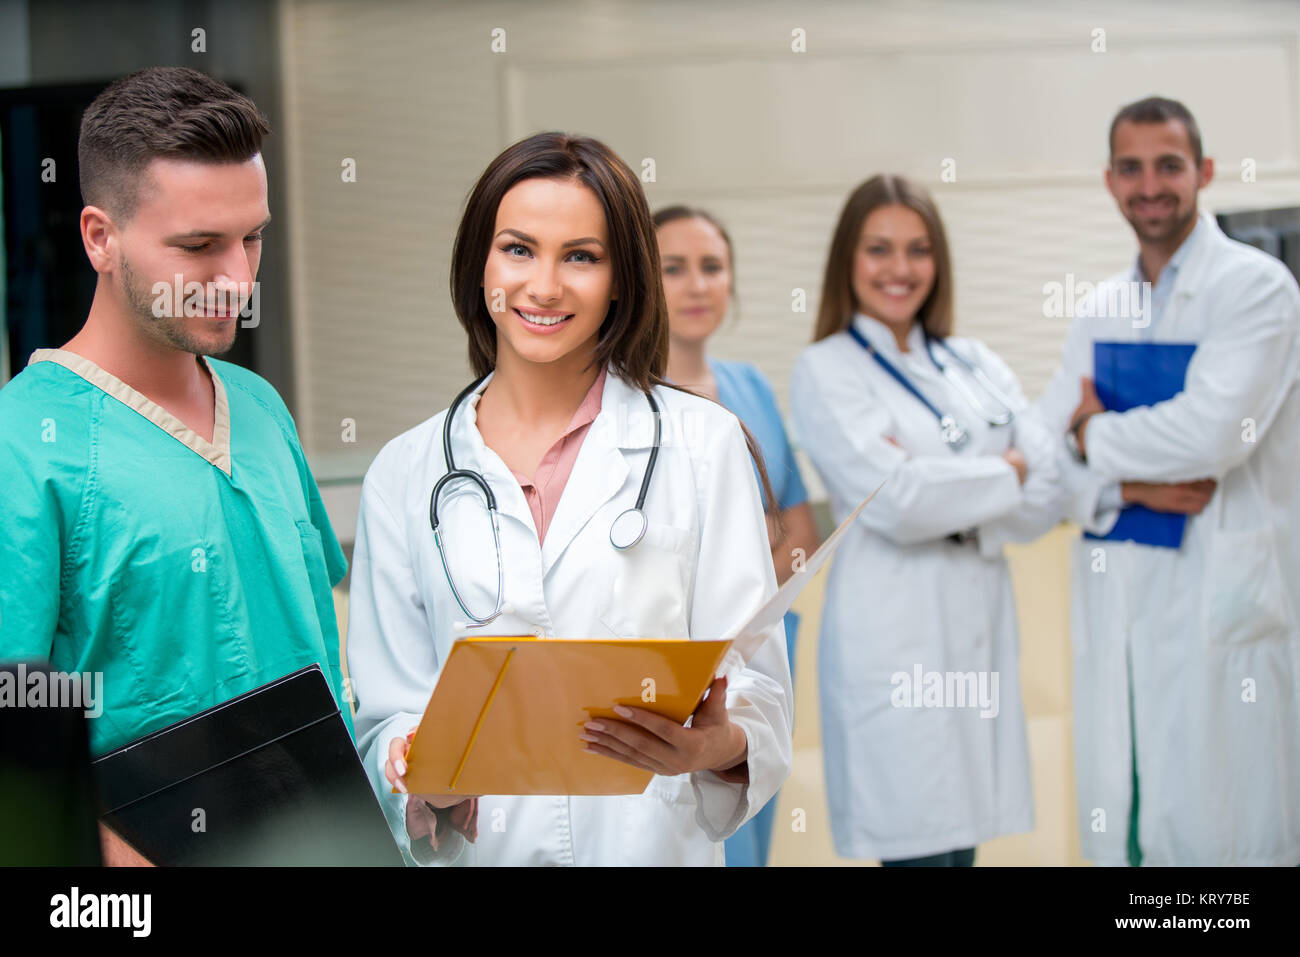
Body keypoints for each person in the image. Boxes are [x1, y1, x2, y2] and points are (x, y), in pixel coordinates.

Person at [346, 132, 794, 866]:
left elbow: (759, 686)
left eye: (581, 256)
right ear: (479, 265)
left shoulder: (704, 445)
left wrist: (718, 740)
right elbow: (389, 710)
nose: (545, 286)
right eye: (519, 249)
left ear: (620, 278)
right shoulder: (404, 473)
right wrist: (414, 775)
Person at [0, 68, 351, 865]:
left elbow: (318, 650)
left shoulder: (258, 406)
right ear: (100, 237)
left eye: (251, 237)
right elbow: (12, 747)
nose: (237, 279)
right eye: (198, 247)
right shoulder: (23, 446)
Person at [1032, 96, 1300, 866]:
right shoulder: (1098, 310)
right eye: (1131, 167)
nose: (1151, 184)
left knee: (1226, 825)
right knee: (1133, 816)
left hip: (1222, 600)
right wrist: (1122, 485)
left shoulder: (1257, 289)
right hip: (1120, 600)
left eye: (1169, 165)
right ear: (1110, 181)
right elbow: (1043, 457)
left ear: (1204, 172)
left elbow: (1209, 435)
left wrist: (1092, 433)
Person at [790, 174, 1061, 866]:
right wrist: (1007, 473)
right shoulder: (827, 369)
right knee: (917, 848)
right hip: (896, 647)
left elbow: (1050, 486)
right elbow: (896, 500)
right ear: (847, 259)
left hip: (973, 640)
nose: (900, 269)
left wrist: (965, 502)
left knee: (960, 849)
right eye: (879, 249)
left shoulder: (974, 361)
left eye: (918, 249)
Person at [653, 205, 819, 867]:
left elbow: (798, 528)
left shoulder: (749, 384)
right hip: (679, 663)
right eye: (674, 268)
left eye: (712, 267)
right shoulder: (626, 398)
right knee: (690, 829)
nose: (697, 285)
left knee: (750, 812)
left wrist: (741, 609)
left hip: (762, 647)